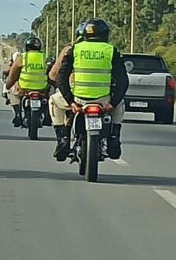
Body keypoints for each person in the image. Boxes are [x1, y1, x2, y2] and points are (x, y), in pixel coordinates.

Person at [49, 18, 129, 161]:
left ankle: (63, 138)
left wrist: (71, 102)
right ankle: (114, 137)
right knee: (120, 104)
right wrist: (112, 103)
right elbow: (123, 80)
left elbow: (61, 78)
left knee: (53, 101)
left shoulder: (75, 50)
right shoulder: (111, 50)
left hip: (78, 100)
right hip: (104, 101)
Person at [5, 37, 48, 127]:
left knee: (13, 94)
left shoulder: (22, 57)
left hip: (24, 88)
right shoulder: (45, 58)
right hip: (42, 88)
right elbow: (52, 73)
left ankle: (18, 115)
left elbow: (13, 76)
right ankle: (48, 116)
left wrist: (8, 85)